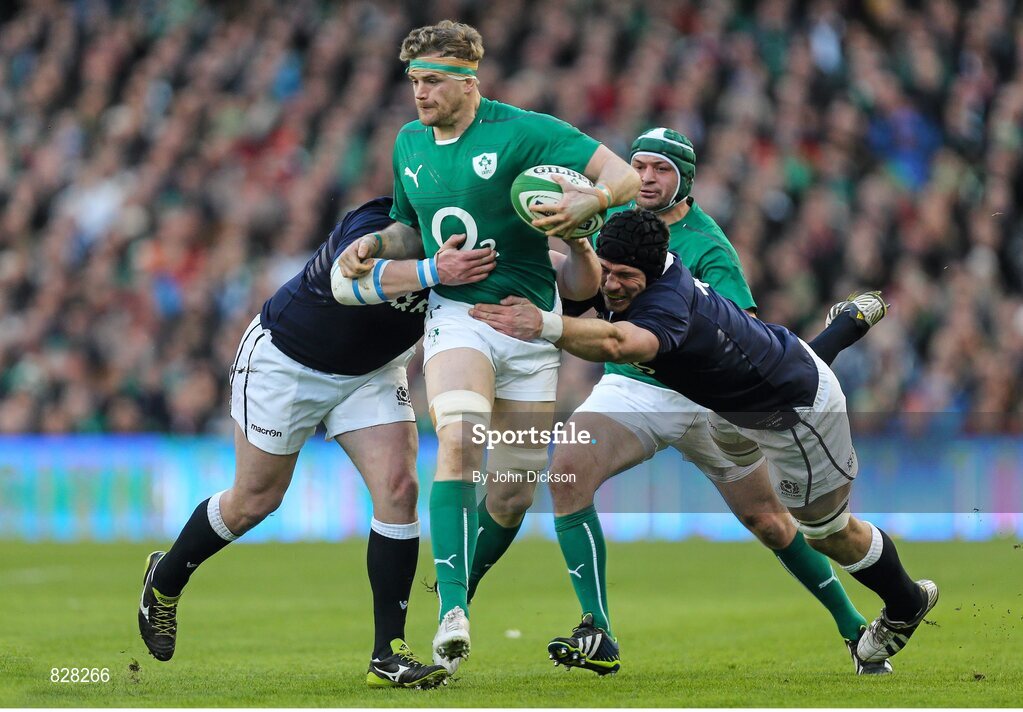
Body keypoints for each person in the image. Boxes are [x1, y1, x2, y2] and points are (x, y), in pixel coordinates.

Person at [464, 127, 891, 675]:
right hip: (634, 385)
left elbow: (747, 342)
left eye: (660, 169)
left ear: (684, 181)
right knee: (568, 472)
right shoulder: (615, 224)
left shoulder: (709, 246)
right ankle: (597, 629)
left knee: (770, 522)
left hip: (707, 401)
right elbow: (587, 292)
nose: (644, 177)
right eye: (638, 164)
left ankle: (855, 628)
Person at [336, 19, 639, 673]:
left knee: (509, 495)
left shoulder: (523, 131)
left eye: (434, 82)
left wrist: (592, 197)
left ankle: (461, 586)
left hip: (528, 326)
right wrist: (377, 244)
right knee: (457, 438)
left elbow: (620, 176)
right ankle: (451, 613)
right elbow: (410, 229)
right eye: (414, 81)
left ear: (469, 83)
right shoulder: (409, 143)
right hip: (458, 321)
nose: (420, 94)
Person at [137, 196, 497, 689]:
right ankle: (165, 581)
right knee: (254, 500)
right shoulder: (377, 222)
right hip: (289, 362)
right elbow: (346, 283)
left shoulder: (479, 239)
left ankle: (387, 652)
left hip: (370, 374)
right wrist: (437, 268)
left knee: (399, 488)